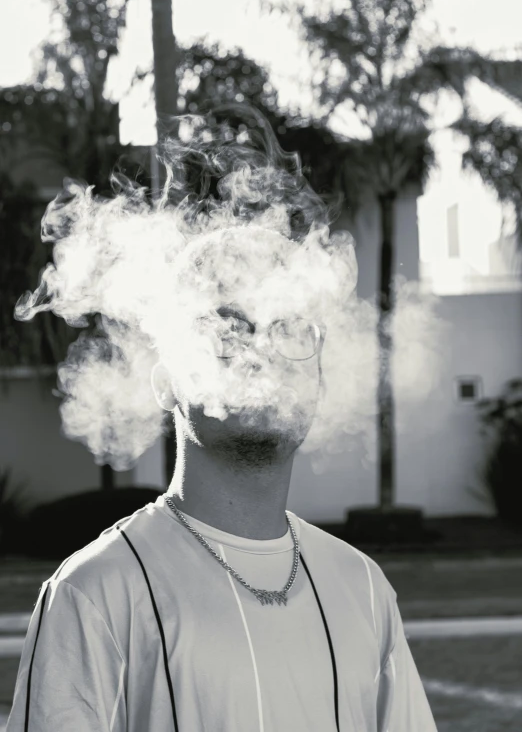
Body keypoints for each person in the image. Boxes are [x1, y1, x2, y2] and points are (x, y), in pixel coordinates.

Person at [7, 108, 438, 732]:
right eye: (227, 327)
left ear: (317, 371)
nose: (261, 351)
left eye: (288, 328)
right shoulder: (95, 594)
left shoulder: (363, 589)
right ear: (166, 375)